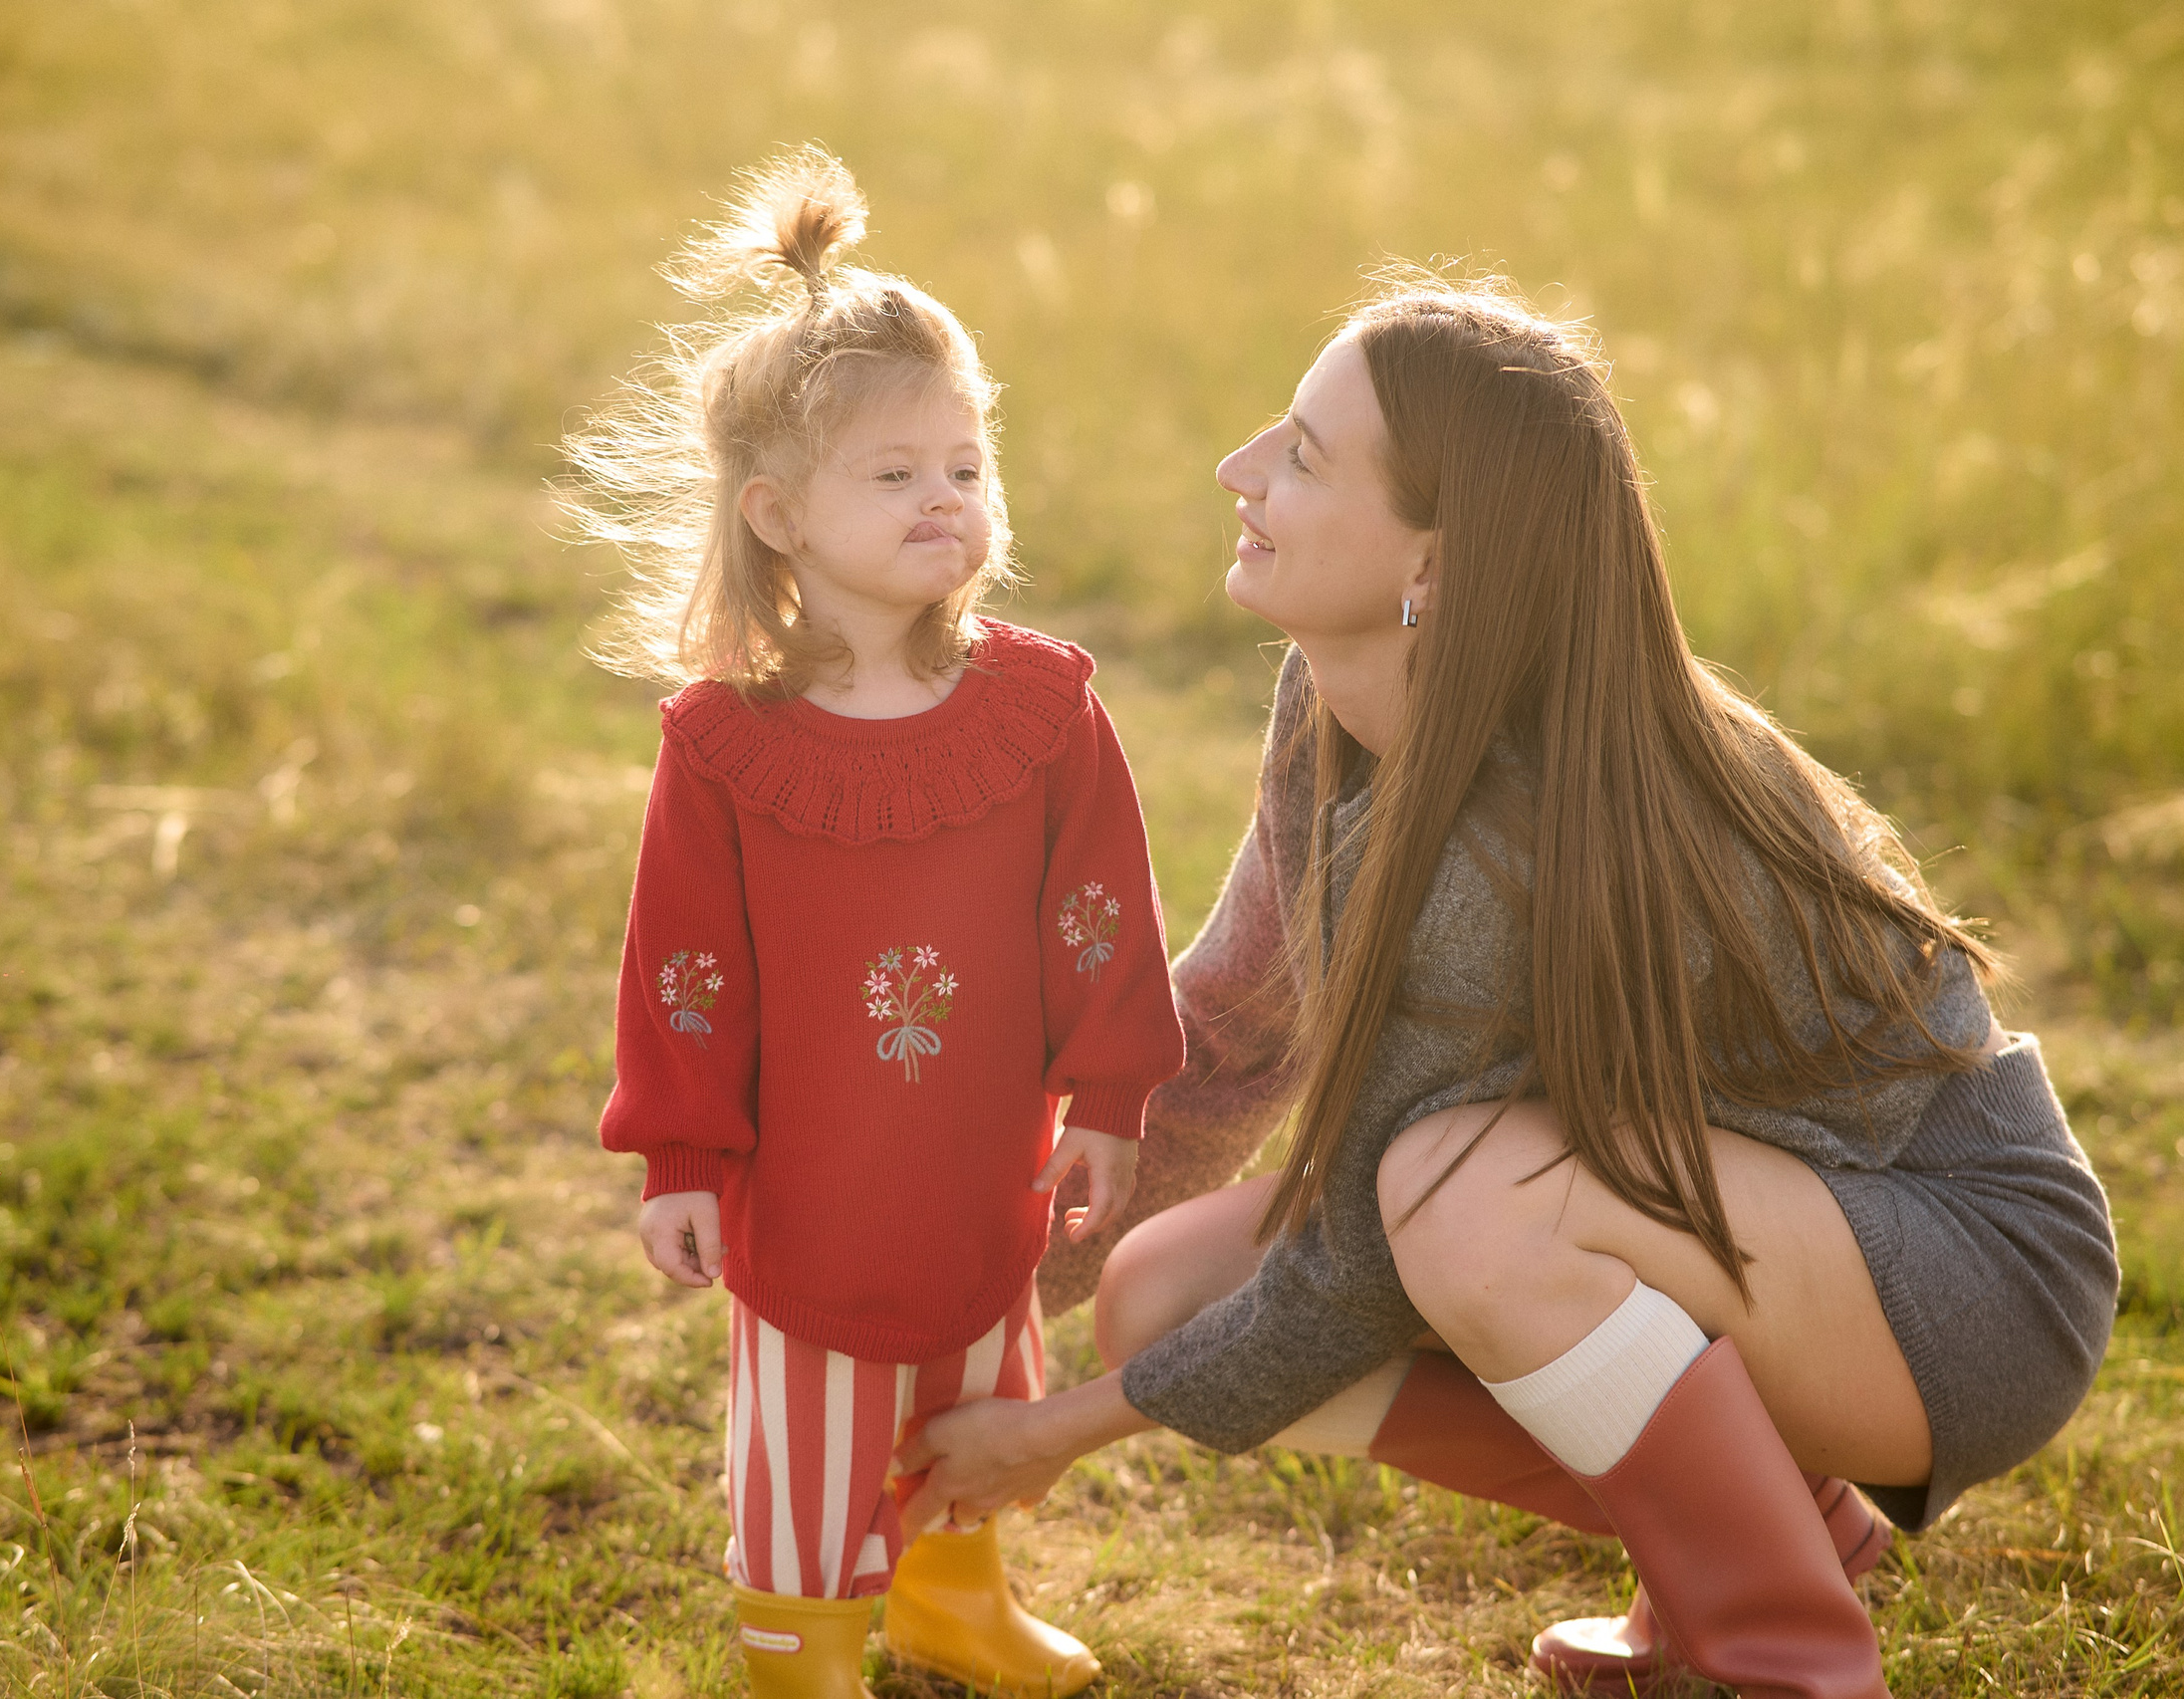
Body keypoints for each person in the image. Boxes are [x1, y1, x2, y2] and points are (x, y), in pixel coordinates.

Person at [900, 273, 2118, 1699]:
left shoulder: (1514, 823)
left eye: (1301, 454)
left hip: (1963, 1270)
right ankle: (1773, 1524)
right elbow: (1228, 1036)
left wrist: (1051, 1434)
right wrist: (959, 1295)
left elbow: (1356, 1266)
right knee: (1164, 1291)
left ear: (1438, 564)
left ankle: (1781, 1655)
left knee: (1460, 1199)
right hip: (1754, 1219)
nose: (1239, 471)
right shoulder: (1336, 700)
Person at [573, 148, 1186, 1699]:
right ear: (778, 515)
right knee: (815, 1418)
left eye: (966, 465)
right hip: (813, 1176)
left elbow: (1101, 913)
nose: (945, 498)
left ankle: (951, 1596)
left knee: (978, 1358)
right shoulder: (726, 741)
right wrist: (684, 1154)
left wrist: (1110, 1097)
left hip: (984, 1153)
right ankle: (805, 1650)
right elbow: (684, 969)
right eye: (895, 472)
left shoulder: (1042, 707)